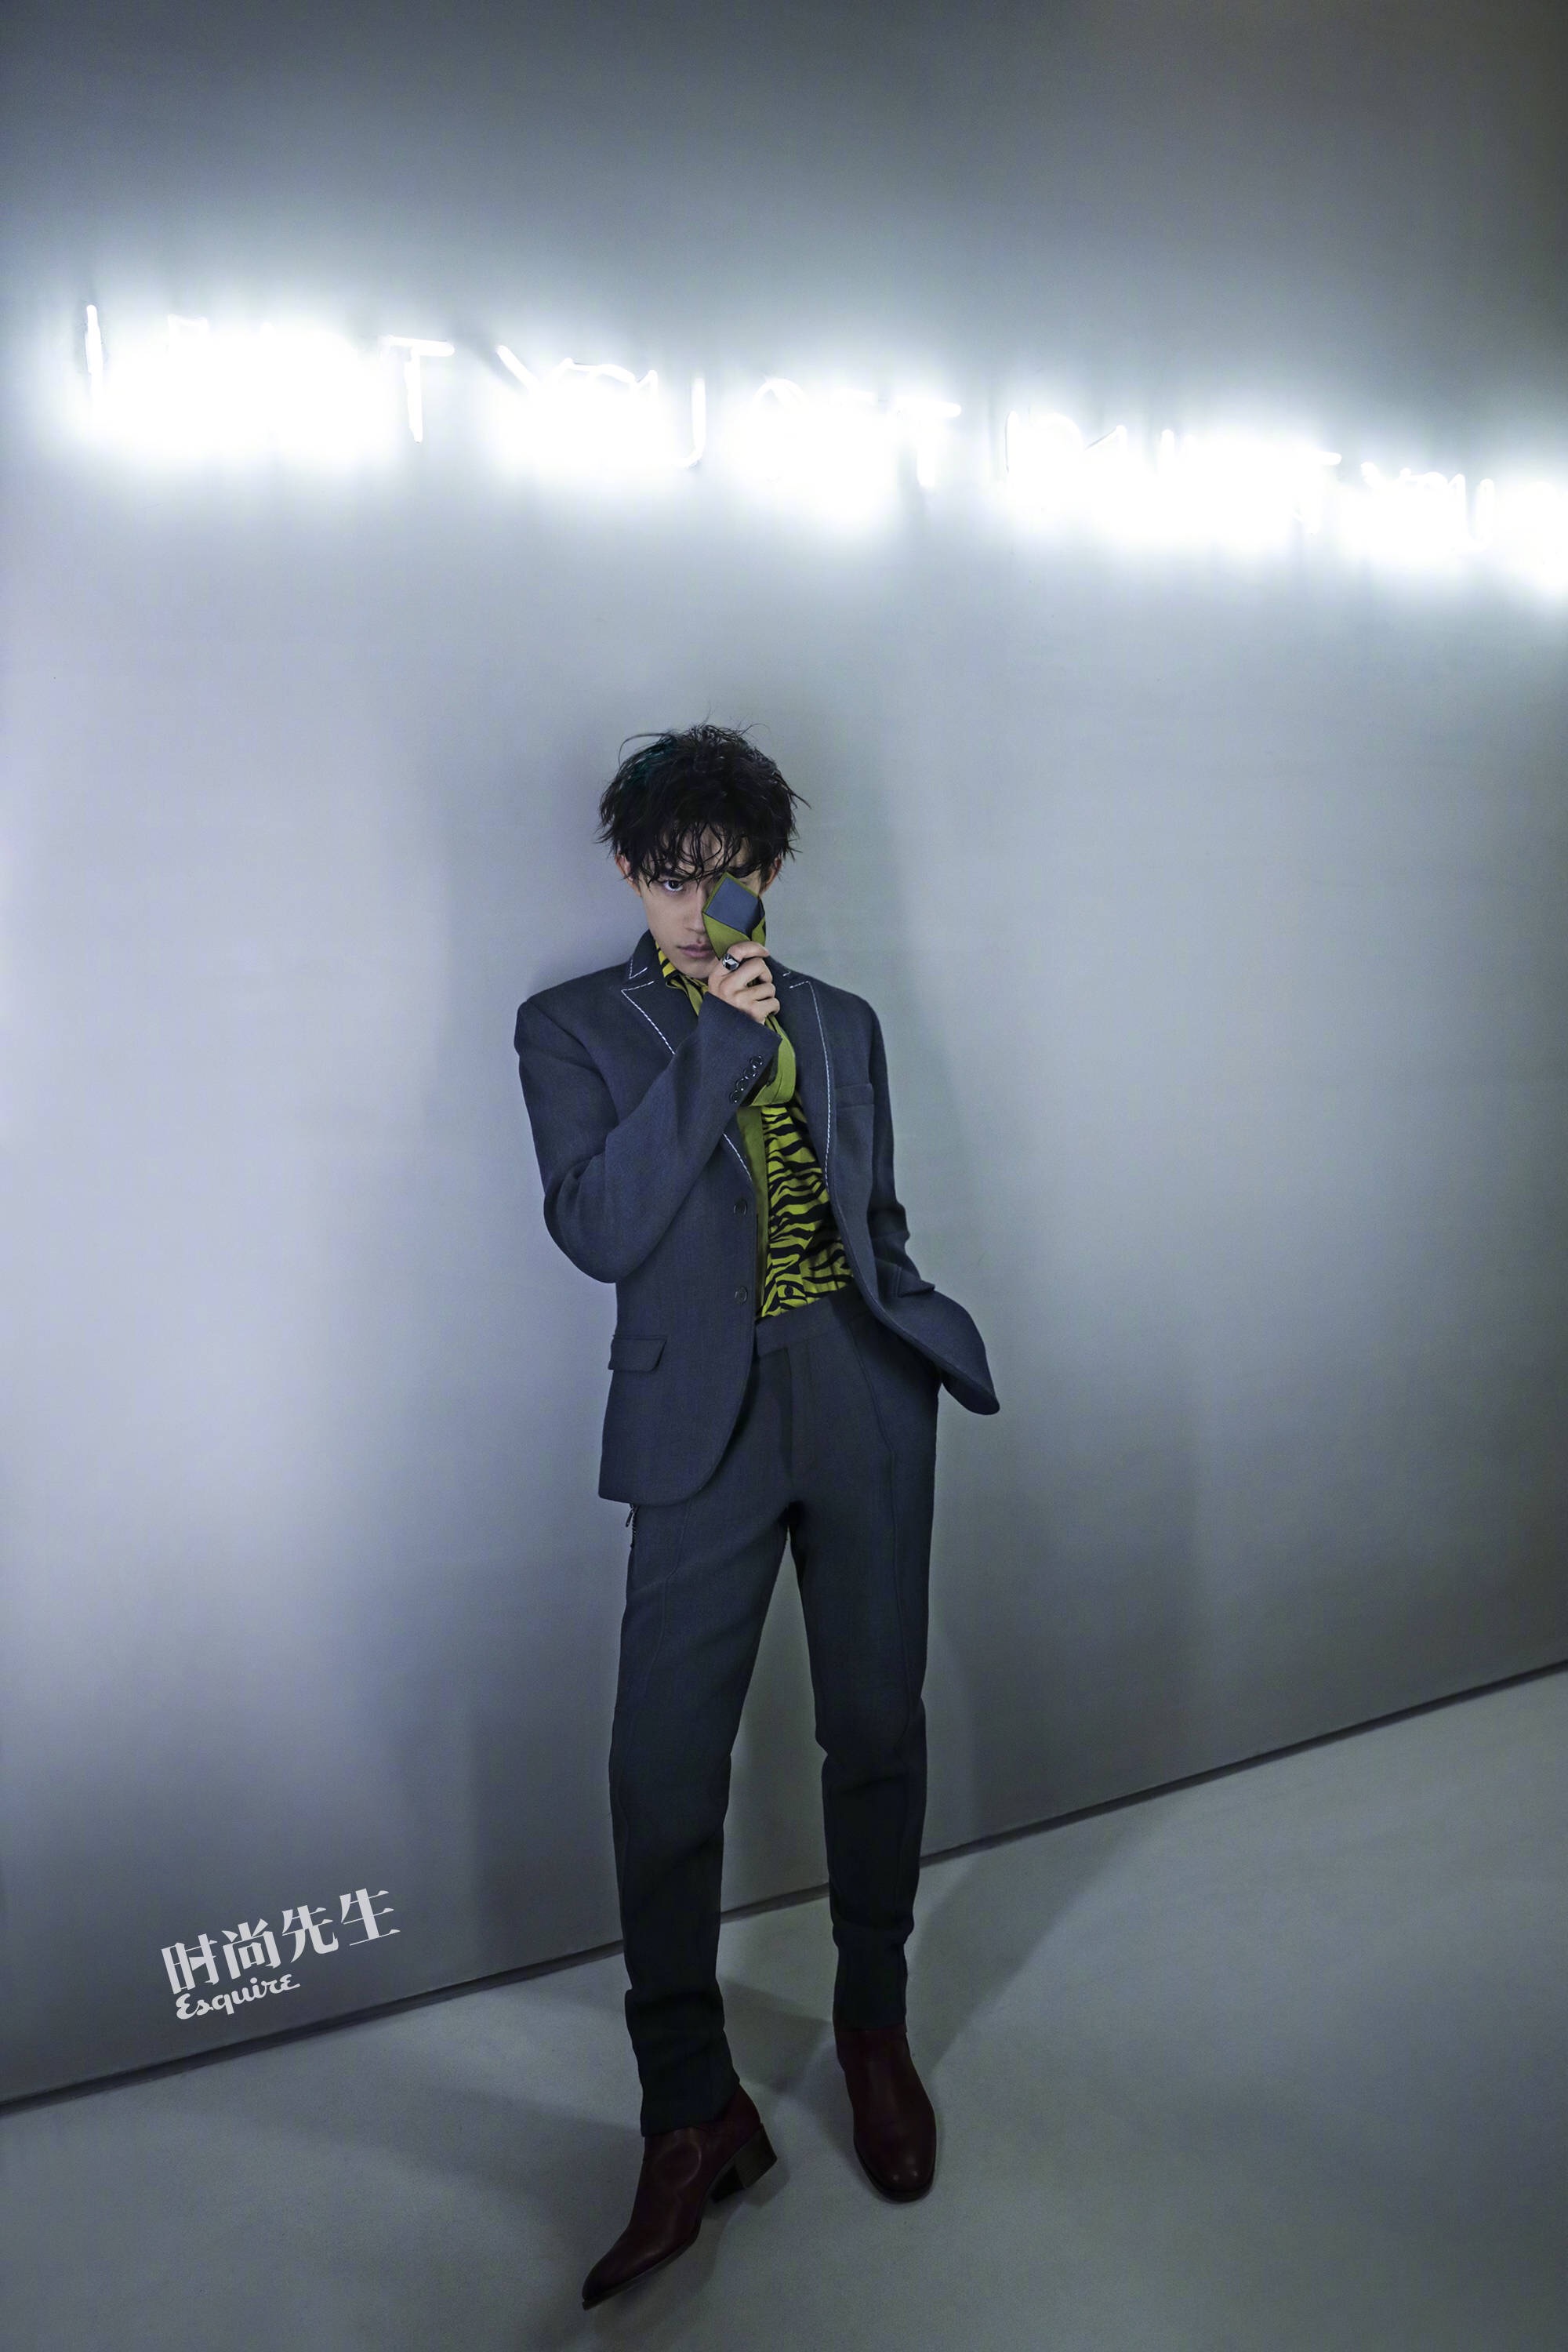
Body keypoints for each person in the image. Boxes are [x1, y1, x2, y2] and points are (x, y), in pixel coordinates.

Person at [513, 722, 1000, 2308]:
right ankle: (689, 2108)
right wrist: (717, 1045)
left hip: (859, 1393)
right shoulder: (570, 1028)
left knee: (875, 1726)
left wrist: (905, 1338)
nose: (691, 905)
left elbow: (872, 1212)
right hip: (698, 1426)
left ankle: (873, 2026)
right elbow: (599, 1226)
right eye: (665, 877)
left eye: (719, 877)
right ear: (626, 871)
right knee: (661, 1770)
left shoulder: (843, 1021)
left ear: (767, 873)